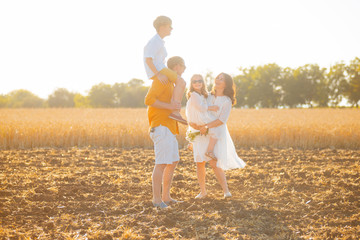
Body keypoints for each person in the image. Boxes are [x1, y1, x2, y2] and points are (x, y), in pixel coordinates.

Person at [188, 73, 246, 199]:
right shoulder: (207, 95)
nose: (218, 80)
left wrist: (207, 127)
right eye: (218, 78)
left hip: (215, 132)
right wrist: (193, 133)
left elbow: (221, 120)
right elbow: (196, 111)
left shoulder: (226, 100)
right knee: (200, 162)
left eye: (222, 79)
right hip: (200, 131)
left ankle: (226, 191)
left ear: (226, 84)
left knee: (214, 163)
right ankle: (203, 192)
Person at [144, 56, 186, 208]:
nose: (184, 70)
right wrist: (169, 107)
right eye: (183, 67)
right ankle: (156, 200)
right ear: (176, 67)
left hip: (168, 128)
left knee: (173, 161)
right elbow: (148, 100)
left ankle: (166, 197)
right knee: (161, 164)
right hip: (160, 127)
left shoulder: (172, 86)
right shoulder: (162, 80)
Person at [143, 15, 187, 125]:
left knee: (180, 83)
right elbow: (148, 60)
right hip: (160, 70)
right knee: (181, 82)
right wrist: (158, 74)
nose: (171, 29)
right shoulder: (154, 41)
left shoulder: (159, 41)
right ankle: (175, 111)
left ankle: (175, 109)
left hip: (161, 69)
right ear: (162, 27)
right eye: (169, 26)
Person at [185, 74, 220, 161]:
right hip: (197, 120)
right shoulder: (193, 94)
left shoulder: (202, 94)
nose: (197, 83)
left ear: (203, 82)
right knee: (216, 129)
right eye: (195, 81)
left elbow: (208, 98)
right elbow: (200, 108)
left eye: (199, 81)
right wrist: (212, 107)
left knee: (214, 129)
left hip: (200, 119)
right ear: (191, 84)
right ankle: (209, 151)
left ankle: (192, 144)